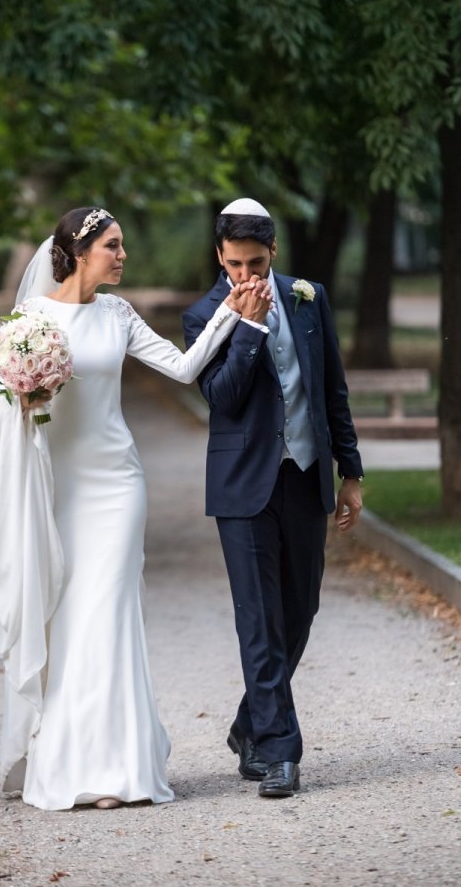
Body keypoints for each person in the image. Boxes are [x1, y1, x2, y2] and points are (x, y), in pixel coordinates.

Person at [0, 206, 270, 812]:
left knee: (110, 611)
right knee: (71, 620)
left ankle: (120, 768)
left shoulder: (119, 314)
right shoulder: (32, 321)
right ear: (78, 251)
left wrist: (232, 315)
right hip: (59, 488)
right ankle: (74, 762)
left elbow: (182, 367)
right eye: (113, 246)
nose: (123, 256)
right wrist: (20, 393)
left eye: (123, 246)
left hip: (118, 486)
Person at [182, 197, 364, 798]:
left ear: (274, 252)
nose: (245, 276)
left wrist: (351, 473)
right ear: (219, 256)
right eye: (234, 264)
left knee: (300, 610)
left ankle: (249, 725)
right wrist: (250, 325)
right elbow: (225, 397)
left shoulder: (308, 300)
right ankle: (282, 750)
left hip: (305, 476)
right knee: (258, 619)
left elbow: (331, 387)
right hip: (242, 486)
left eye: (255, 263)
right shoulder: (203, 314)